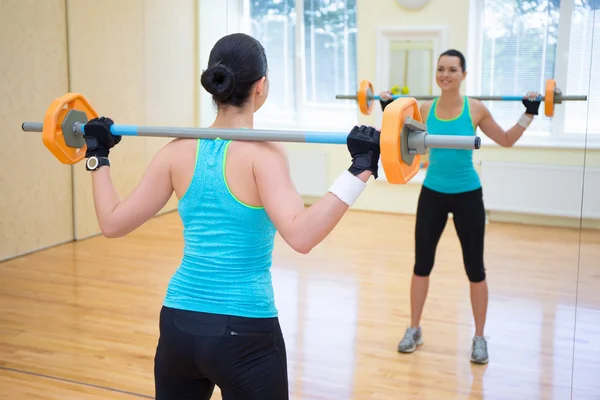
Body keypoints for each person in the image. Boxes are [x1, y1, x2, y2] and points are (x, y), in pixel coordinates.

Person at [80, 33, 381, 399]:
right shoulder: (264, 156)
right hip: (245, 331)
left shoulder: (176, 151)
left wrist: (97, 154)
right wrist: (359, 169)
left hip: (178, 325)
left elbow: (112, 222)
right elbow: (301, 237)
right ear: (261, 86)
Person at [379, 49, 541, 364]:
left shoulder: (476, 109)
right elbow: (398, 139)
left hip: (467, 194)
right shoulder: (424, 109)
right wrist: (388, 109)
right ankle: (414, 328)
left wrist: (530, 112)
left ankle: (479, 337)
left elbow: (506, 139)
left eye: (452, 70)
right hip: (433, 193)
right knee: (421, 265)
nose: (445, 75)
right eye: (441, 69)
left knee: (475, 269)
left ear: (463, 75)